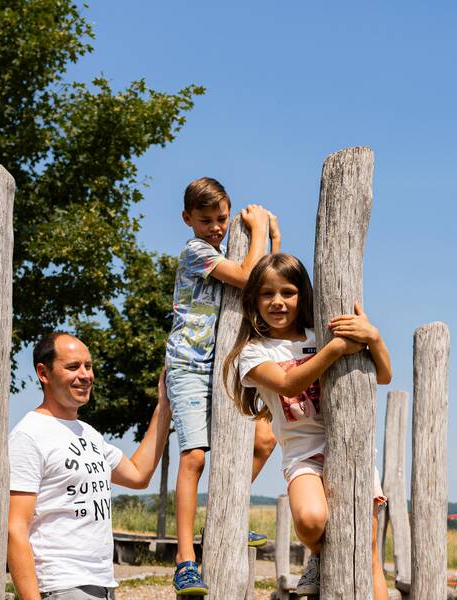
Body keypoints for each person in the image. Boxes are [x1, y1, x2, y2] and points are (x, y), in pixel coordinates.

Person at [223, 253, 393, 599]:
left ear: (303, 295)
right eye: (267, 294)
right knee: (312, 519)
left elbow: (385, 375)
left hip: (351, 449)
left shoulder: (324, 333)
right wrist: (335, 350)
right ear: (253, 300)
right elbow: (288, 384)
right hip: (303, 454)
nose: (278, 302)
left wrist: (373, 337)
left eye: (288, 292)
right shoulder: (254, 352)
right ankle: (317, 555)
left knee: (369, 551)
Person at [166, 177, 281, 595]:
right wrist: (256, 232)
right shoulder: (197, 252)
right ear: (187, 220)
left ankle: (225, 515)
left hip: (224, 367)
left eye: (222, 218)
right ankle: (184, 559)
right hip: (190, 364)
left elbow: (265, 277)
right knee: (194, 457)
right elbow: (251, 275)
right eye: (206, 220)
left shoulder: (219, 248)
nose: (216, 227)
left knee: (264, 440)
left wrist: (272, 236)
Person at [7, 332, 172, 600]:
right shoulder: (29, 435)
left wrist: (163, 407)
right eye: (73, 367)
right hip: (62, 586)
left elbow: (138, 475)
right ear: (44, 373)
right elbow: (15, 528)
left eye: (88, 365)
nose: (85, 375)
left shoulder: (89, 434)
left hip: (102, 586)